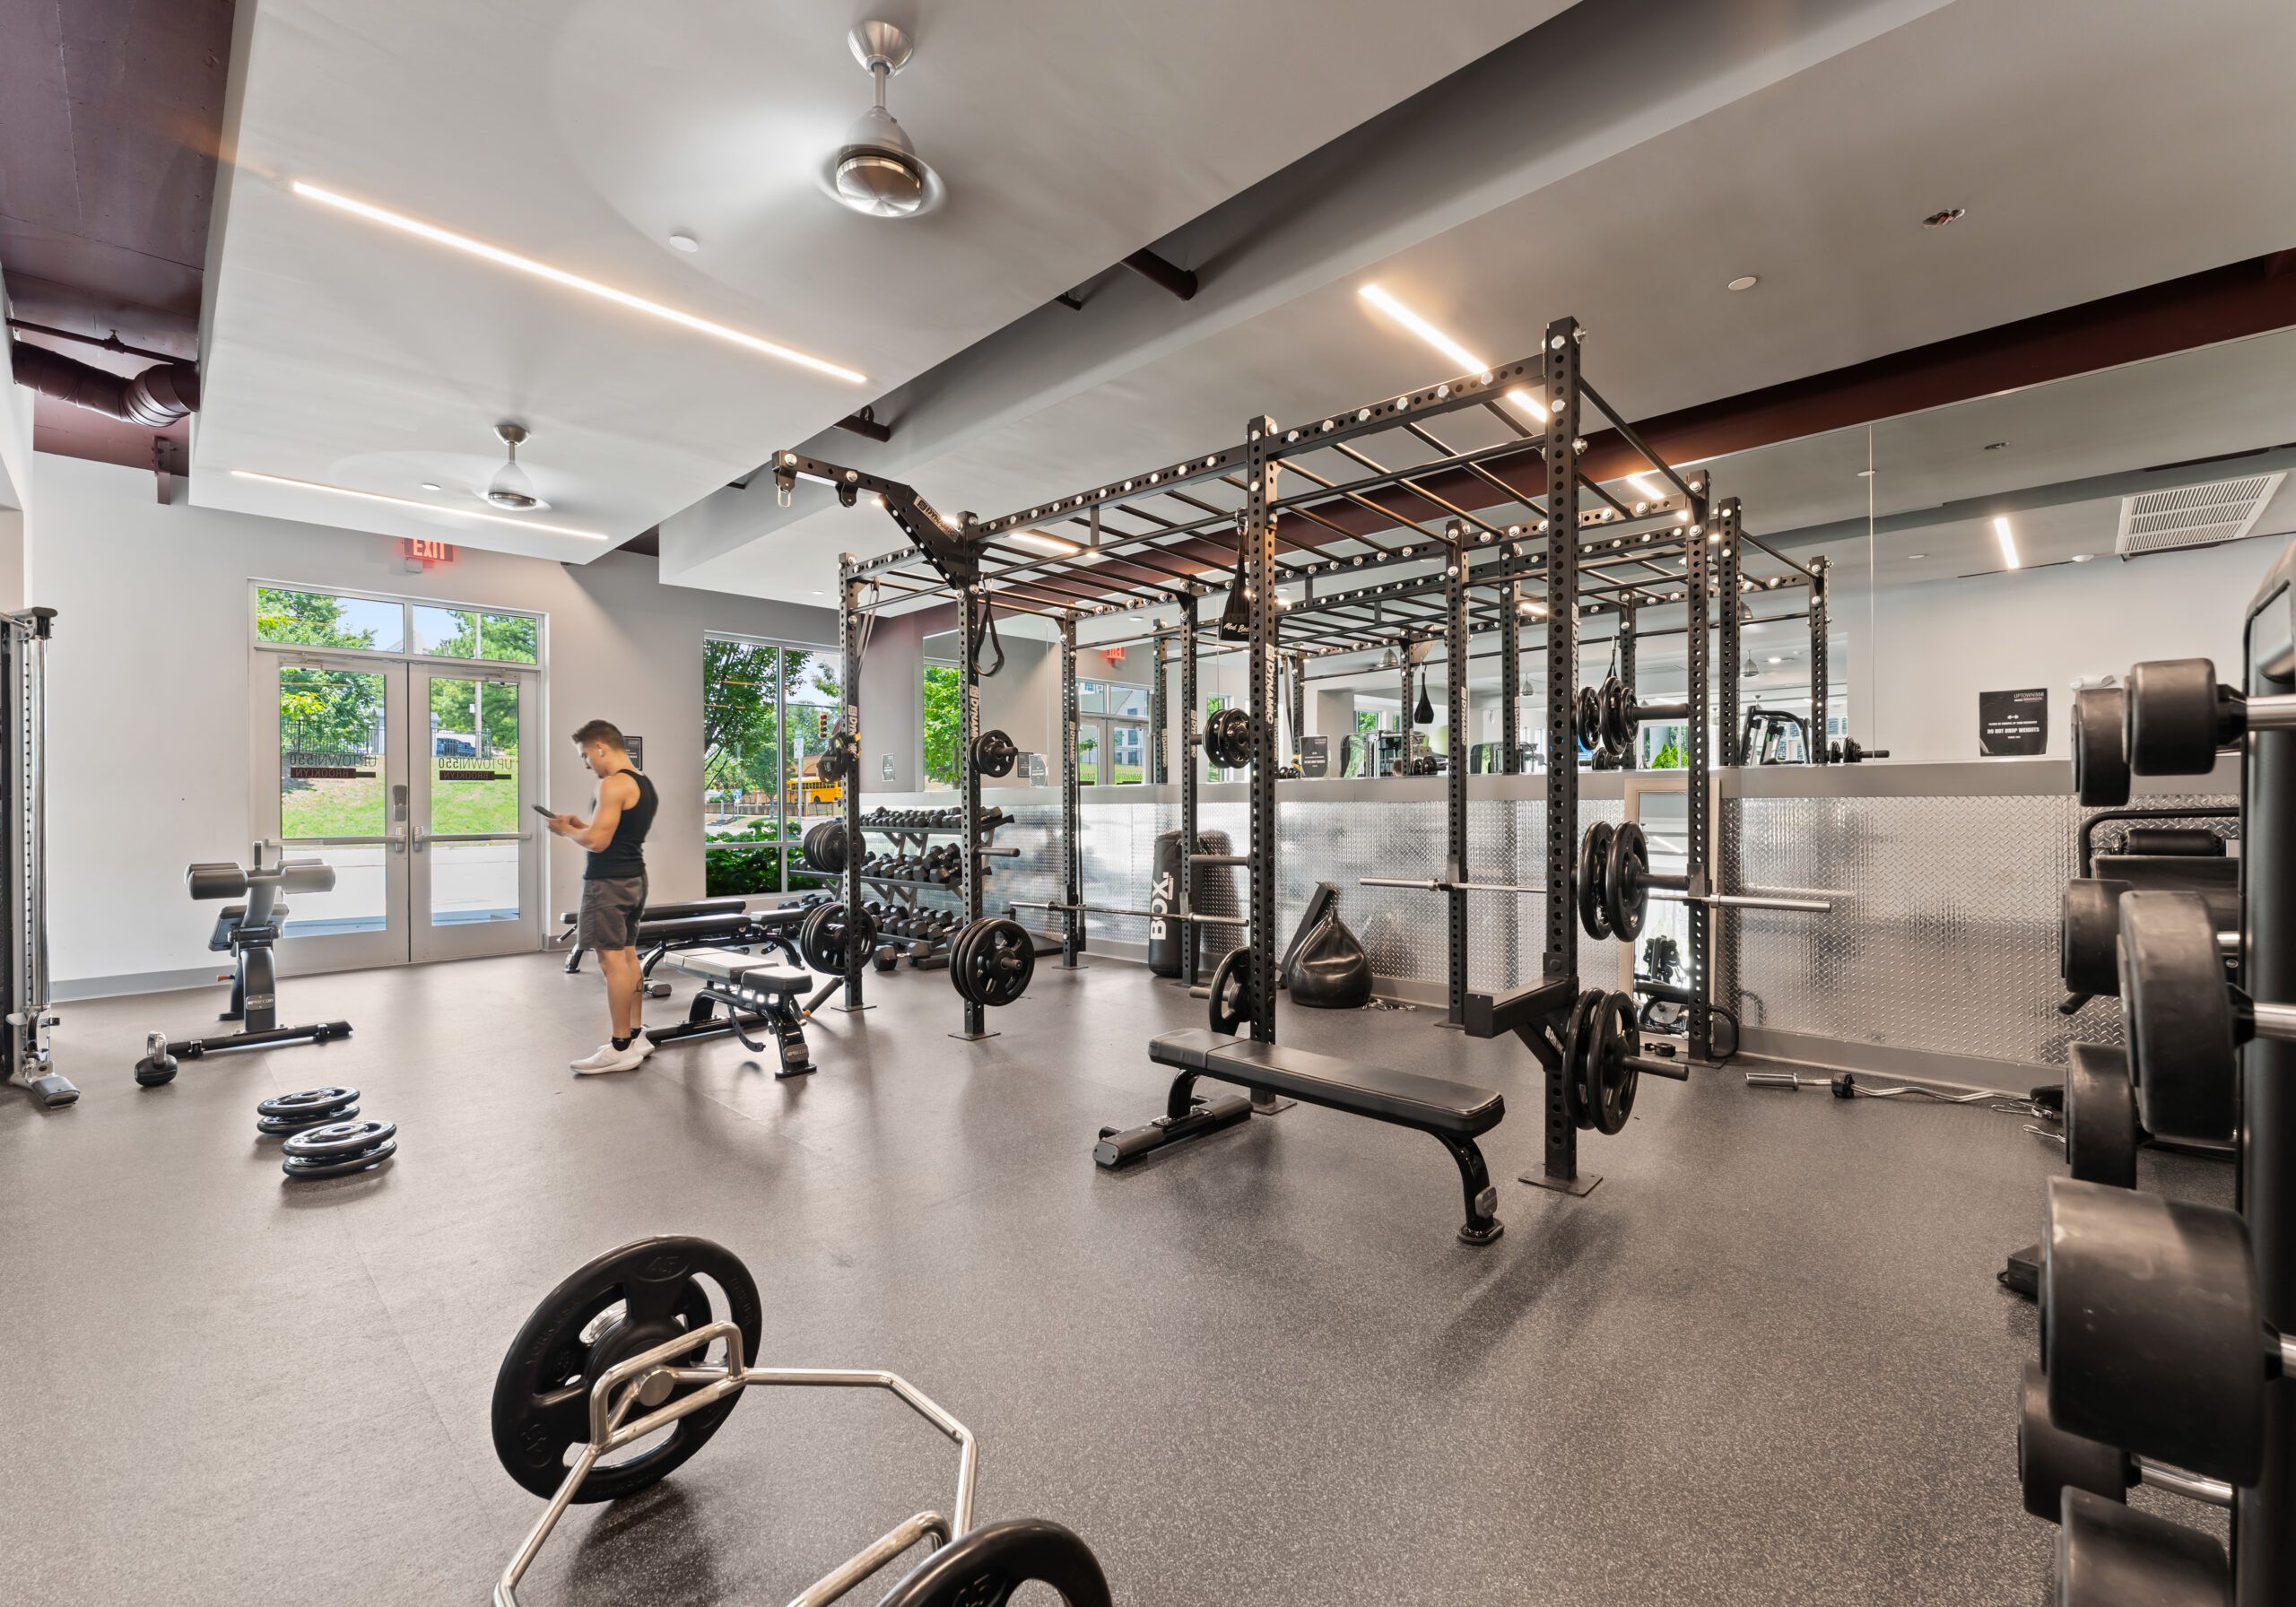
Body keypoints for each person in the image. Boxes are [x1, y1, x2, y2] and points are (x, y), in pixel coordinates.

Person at [547, 719, 659, 1073]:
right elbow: (610, 832)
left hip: (608, 883)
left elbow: (600, 842)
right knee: (628, 956)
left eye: (585, 755)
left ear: (601, 748)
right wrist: (579, 824)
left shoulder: (612, 784)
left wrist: (567, 833)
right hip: (634, 878)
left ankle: (620, 1046)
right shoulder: (642, 783)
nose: (586, 763)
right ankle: (637, 1036)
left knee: (612, 963)